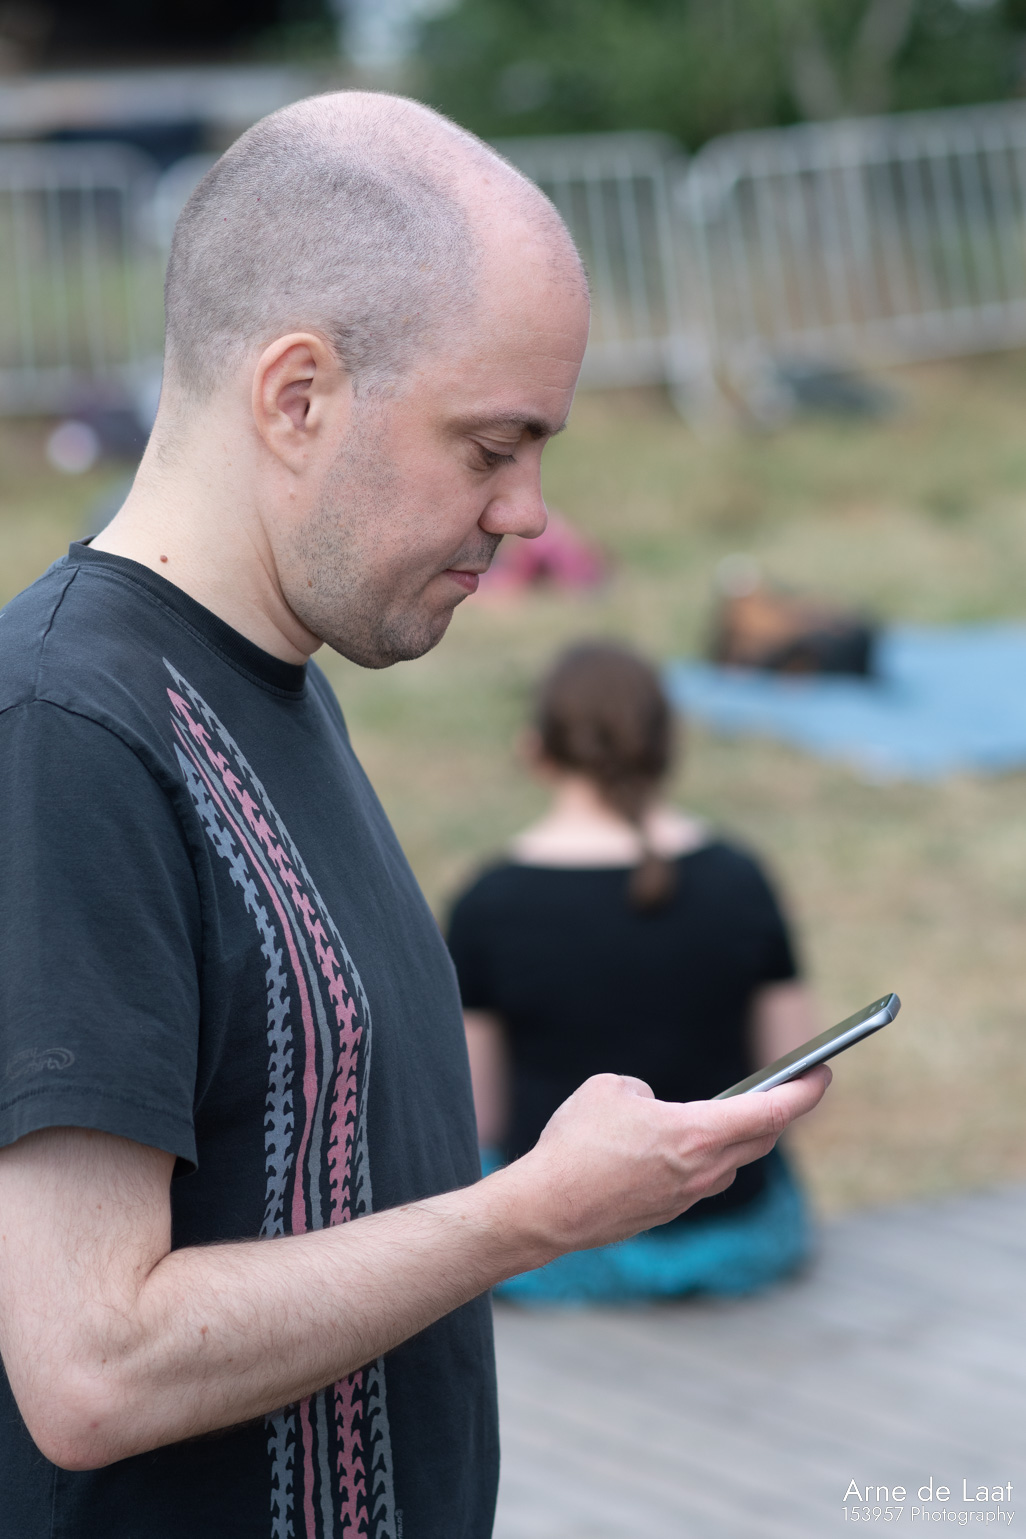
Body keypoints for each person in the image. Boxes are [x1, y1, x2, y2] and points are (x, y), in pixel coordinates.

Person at [0, 93, 829, 1539]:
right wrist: (532, 1210)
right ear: (296, 396)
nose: (528, 512)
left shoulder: (282, 684)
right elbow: (91, 1362)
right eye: (491, 445)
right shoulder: (68, 730)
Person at [448, 641, 820, 1304]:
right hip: (734, 1236)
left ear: (536, 749)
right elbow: (792, 1081)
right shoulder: (741, 879)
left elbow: (481, 1118)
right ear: (667, 745)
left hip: (556, 1251)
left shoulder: (488, 902)